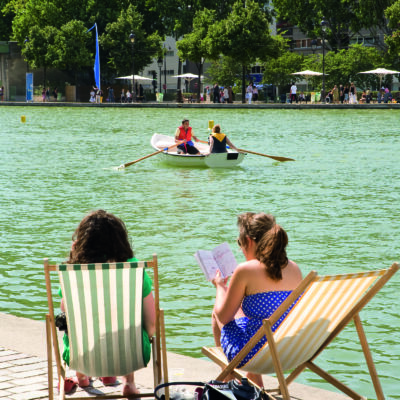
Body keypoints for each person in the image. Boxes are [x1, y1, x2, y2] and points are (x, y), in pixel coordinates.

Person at [59, 210, 156, 397]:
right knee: (130, 321)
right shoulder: (134, 269)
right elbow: (151, 325)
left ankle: (82, 373)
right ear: (121, 240)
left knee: (77, 321)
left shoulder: (74, 272)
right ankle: (129, 381)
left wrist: (73, 258)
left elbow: (66, 308)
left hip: (81, 355)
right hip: (131, 354)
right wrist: (146, 335)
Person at [211, 212, 302, 387]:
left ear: (249, 241)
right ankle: (256, 385)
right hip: (288, 351)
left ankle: (229, 375)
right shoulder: (294, 269)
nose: (240, 248)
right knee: (254, 318)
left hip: (254, 354)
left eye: (240, 243)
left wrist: (221, 287)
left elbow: (223, 317)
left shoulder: (246, 270)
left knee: (216, 313)